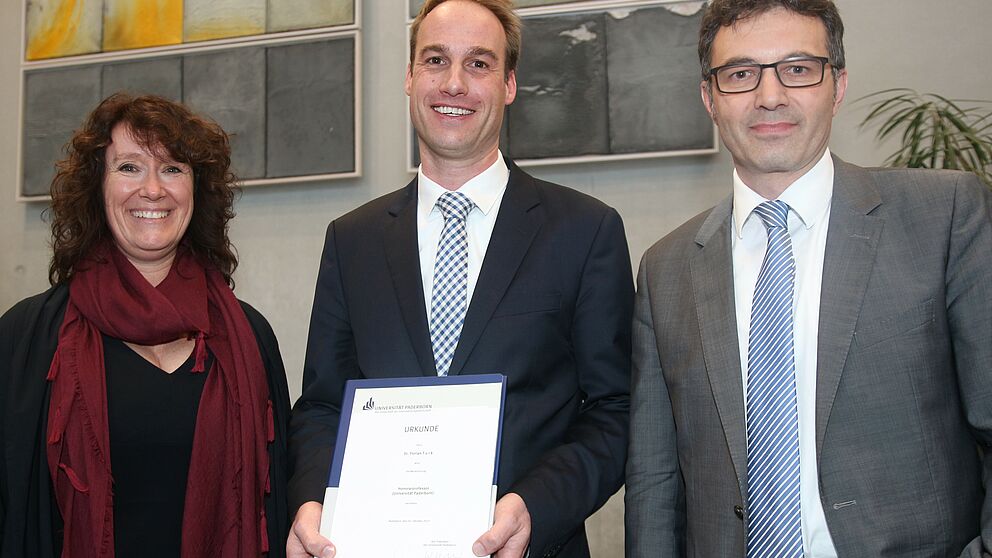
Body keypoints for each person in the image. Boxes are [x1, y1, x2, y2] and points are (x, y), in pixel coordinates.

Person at [625, 0, 991, 556]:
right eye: (741, 74)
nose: (769, 96)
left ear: (837, 85)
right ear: (709, 98)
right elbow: (654, 482)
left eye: (798, 69)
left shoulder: (944, 216)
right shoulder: (665, 267)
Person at [286, 1, 634, 557]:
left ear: (509, 83)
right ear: (409, 77)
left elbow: (615, 409)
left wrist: (535, 507)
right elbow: (324, 406)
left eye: (478, 63)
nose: (454, 83)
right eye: (434, 59)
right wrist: (309, 503)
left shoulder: (584, 231)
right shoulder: (352, 240)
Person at [0, 93, 291, 558]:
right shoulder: (24, 337)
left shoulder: (249, 336)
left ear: (197, 190)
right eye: (130, 167)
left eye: (174, 168)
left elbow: (279, 499)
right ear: (96, 186)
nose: (153, 189)